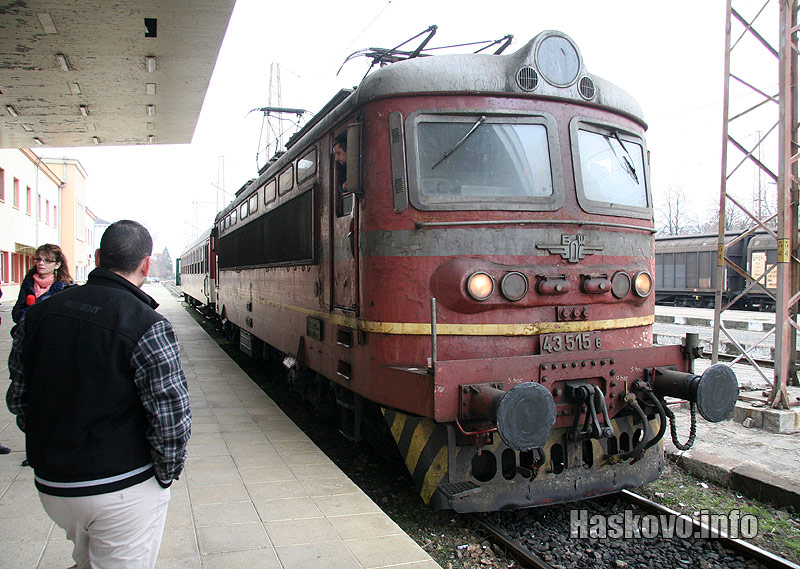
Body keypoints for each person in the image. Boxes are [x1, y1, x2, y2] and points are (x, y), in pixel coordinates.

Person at [6, 220, 191, 569]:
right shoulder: (148, 325)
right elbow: (172, 421)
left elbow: (18, 399)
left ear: (96, 257)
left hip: (52, 485)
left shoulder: (38, 315)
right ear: (146, 264)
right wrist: (164, 477)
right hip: (121, 489)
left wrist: (52, 448)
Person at [12, 243, 74, 324]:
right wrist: (27, 316)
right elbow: (17, 311)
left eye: (47, 260)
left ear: (57, 264)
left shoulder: (66, 287)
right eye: (38, 259)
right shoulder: (29, 282)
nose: (41, 263)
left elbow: (68, 317)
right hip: (29, 333)